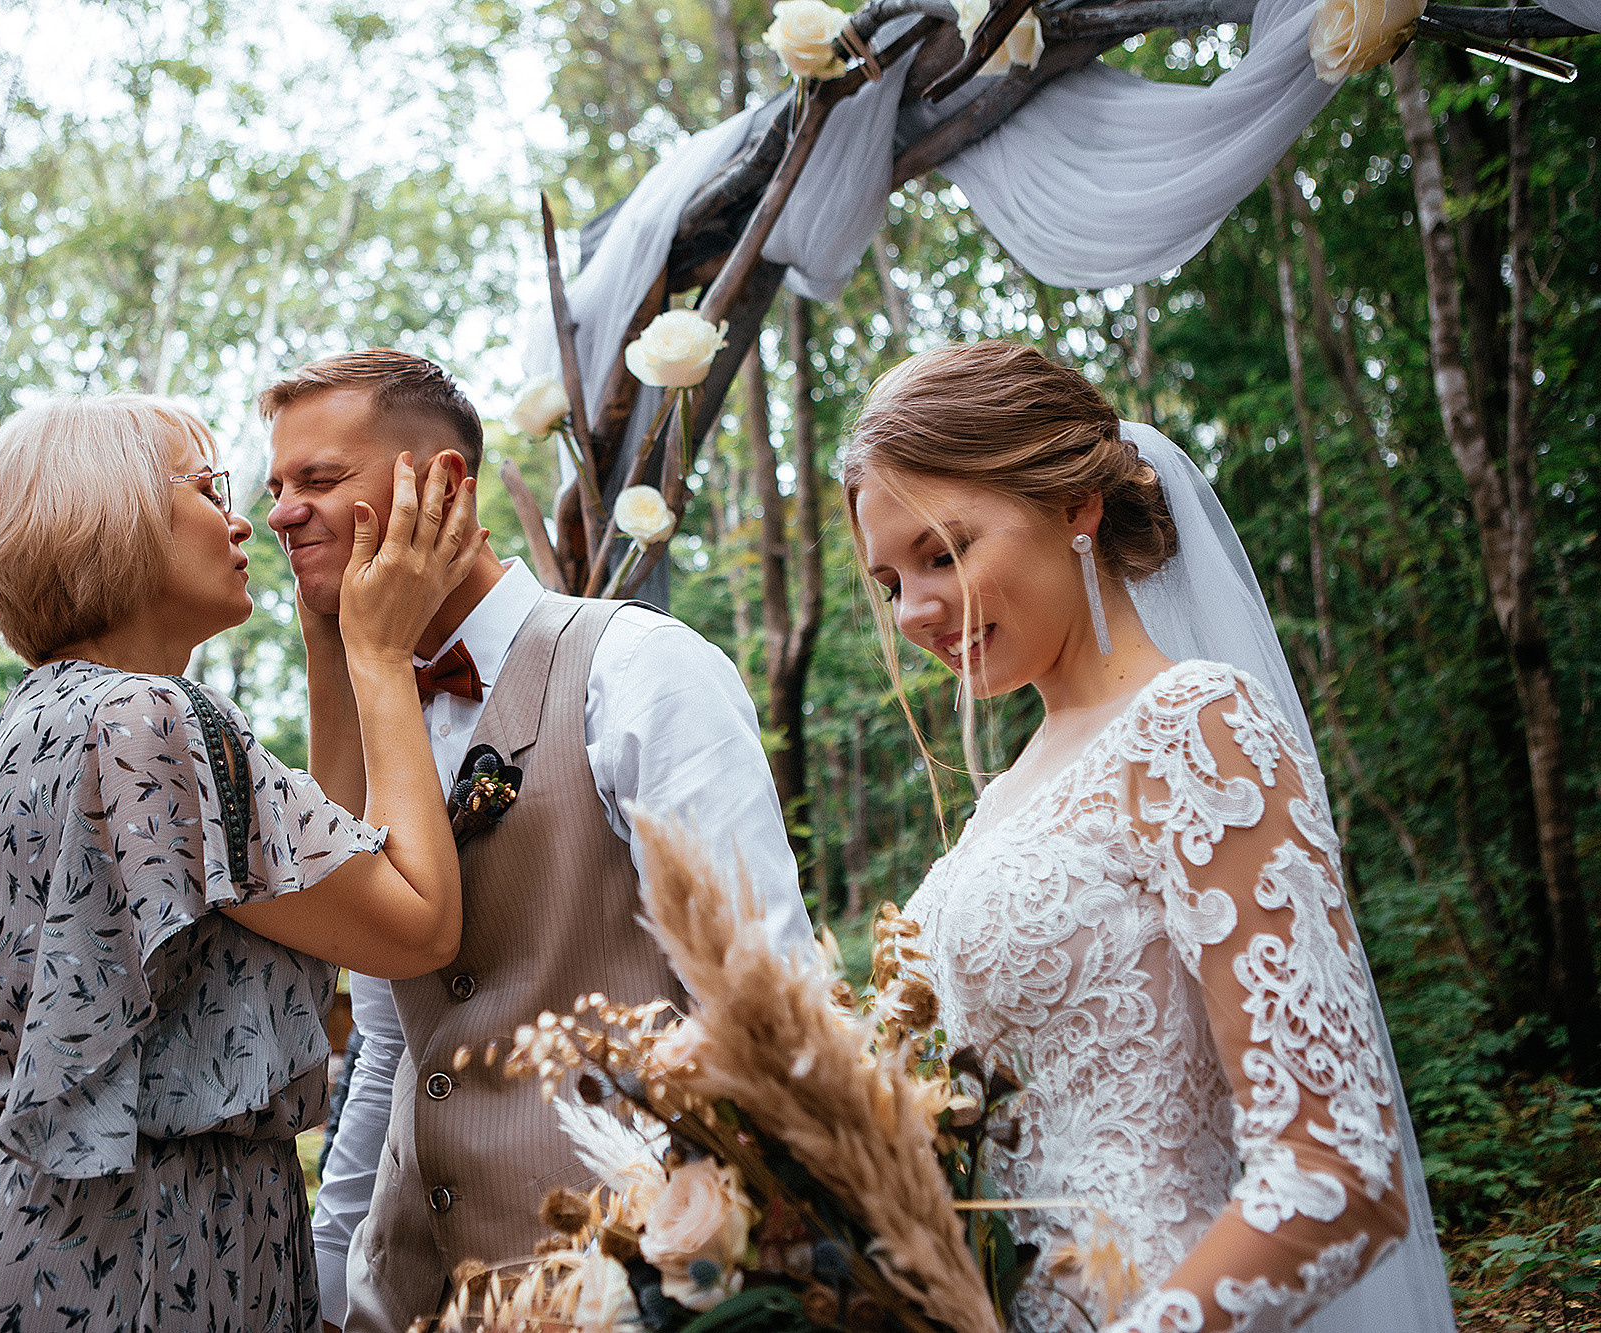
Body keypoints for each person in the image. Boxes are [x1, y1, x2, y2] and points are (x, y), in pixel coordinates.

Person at [845, 342, 1456, 1333]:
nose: (916, 610)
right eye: (888, 580)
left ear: (1072, 506)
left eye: (944, 552)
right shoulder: (1000, 800)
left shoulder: (1194, 724)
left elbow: (1339, 1167)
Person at [0, 393, 486, 1333]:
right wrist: (382, 655)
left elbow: (318, 871)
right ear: (112, 515)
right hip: (139, 1254)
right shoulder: (157, 720)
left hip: (19, 1244)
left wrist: (328, 643)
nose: (246, 516)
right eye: (211, 488)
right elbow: (417, 924)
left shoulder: (53, 715)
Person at [261, 349, 815, 1333]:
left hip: (628, 1287)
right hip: (423, 1300)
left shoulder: (641, 667)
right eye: (276, 488)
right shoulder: (370, 713)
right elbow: (388, 1050)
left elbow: (761, 995)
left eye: (318, 480)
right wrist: (333, 1284)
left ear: (441, 485)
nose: (280, 514)